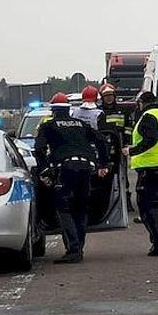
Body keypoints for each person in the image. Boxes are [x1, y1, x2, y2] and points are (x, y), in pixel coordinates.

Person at [35, 92, 110, 264]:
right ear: (68, 109)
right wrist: (103, 164)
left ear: (53, 110)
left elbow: (39, 149)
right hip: (86, 168)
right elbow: (101, 139)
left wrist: (45, 171)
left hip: (66, 169)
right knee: (80, 207)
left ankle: (73, 250)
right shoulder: (81, 124)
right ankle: (79, 248)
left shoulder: (48, 126)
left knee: (63, 207)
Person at [124, 91, 158, 256]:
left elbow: (151, 139)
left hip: (152, 167)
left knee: (147, 205)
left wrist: (131, 151)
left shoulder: (148, 117)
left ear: (141, 103)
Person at [98, 83, 134, 212]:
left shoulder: (123, 111)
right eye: (106, 96)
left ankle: (126, 201)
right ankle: (106, 203)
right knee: (105, 175)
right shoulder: (99, 112)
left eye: (110, 95)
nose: (109, 98)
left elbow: (128, 127)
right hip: (105, 148)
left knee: (122, 174)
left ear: (114, 96)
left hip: (119, 147)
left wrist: (126, 142)